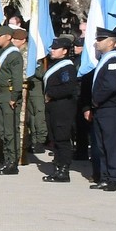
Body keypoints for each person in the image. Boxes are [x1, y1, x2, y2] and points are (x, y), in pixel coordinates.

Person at [87, 25, 116, 192]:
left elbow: (110, 86)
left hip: (111, 108)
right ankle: (104, 177)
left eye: (101, 39)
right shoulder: (104, 59)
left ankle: (114, 178)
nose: (97, 42)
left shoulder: (114, 60)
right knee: (102, 145)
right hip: (102, 109)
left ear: (111, 42)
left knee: (112, 145)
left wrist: (96, 100)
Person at [40, 35, 78, 182]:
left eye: (56, 48)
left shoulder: (67, 67)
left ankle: (64, 170)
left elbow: (68, 87)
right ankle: (57, 167)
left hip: (62, 107)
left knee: (62, 139)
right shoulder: (55, 64)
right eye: (52, 48)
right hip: (53, 107)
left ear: (65, 51)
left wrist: (50, 94)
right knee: (54, 138)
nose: (52, 50)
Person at [0, 25, 25, 175]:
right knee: (3, 131)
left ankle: (12, 163)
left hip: (9, 96)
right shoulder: (0, 52)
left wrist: (14, 97)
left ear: (8, 37)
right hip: (0, 95)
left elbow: (17, 78)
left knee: (10, 131)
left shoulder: (13, 54)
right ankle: (6, 160)